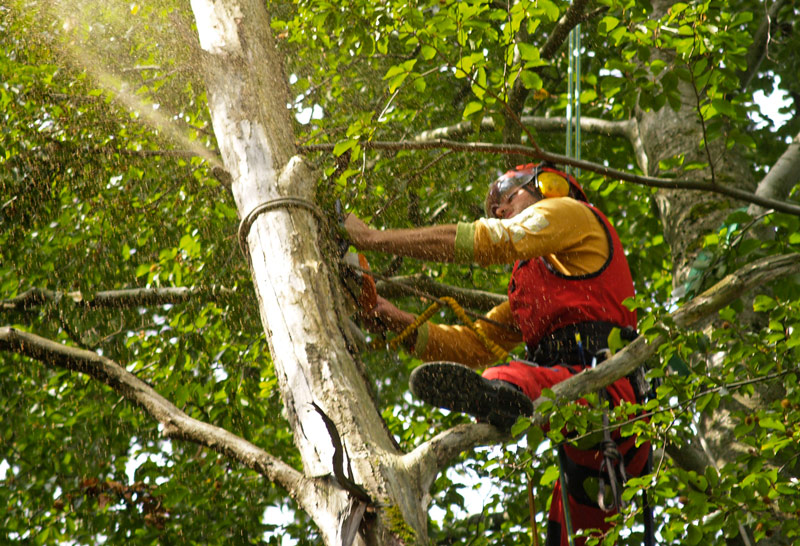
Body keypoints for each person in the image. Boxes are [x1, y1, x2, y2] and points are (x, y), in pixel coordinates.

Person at [344, 162, 651, 546]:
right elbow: (474, 343)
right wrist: (390, 318)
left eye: (507, 197)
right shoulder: (536, 286)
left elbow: (493, 240)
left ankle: (501, 397)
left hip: (610, 394)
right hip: (587, 433)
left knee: (503, 379)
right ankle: (502, 398)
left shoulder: (573, 214)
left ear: (547, 187)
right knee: (569, 538)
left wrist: (371, 238)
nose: (498, 211)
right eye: (494, 209)